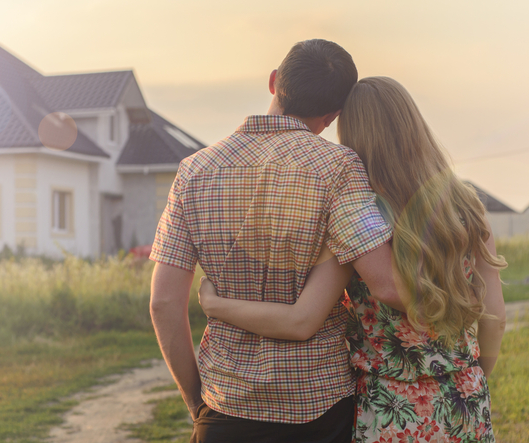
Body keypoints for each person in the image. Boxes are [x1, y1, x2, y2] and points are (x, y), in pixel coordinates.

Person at [198, 76, 508, 443]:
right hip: (464, 398)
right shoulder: (467, 208)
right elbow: (496, 320)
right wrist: (472, 378)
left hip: (388, 408)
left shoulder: (357, 221)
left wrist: (215, 304)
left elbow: (301, 318)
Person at [149, 40, 407, 443]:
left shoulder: (194, 172)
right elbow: (386, 283)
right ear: (333, 115)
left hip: (225, 406)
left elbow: (163, 303)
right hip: (319, 409)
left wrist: (196, 403)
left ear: (274, 82)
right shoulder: (339, 167)